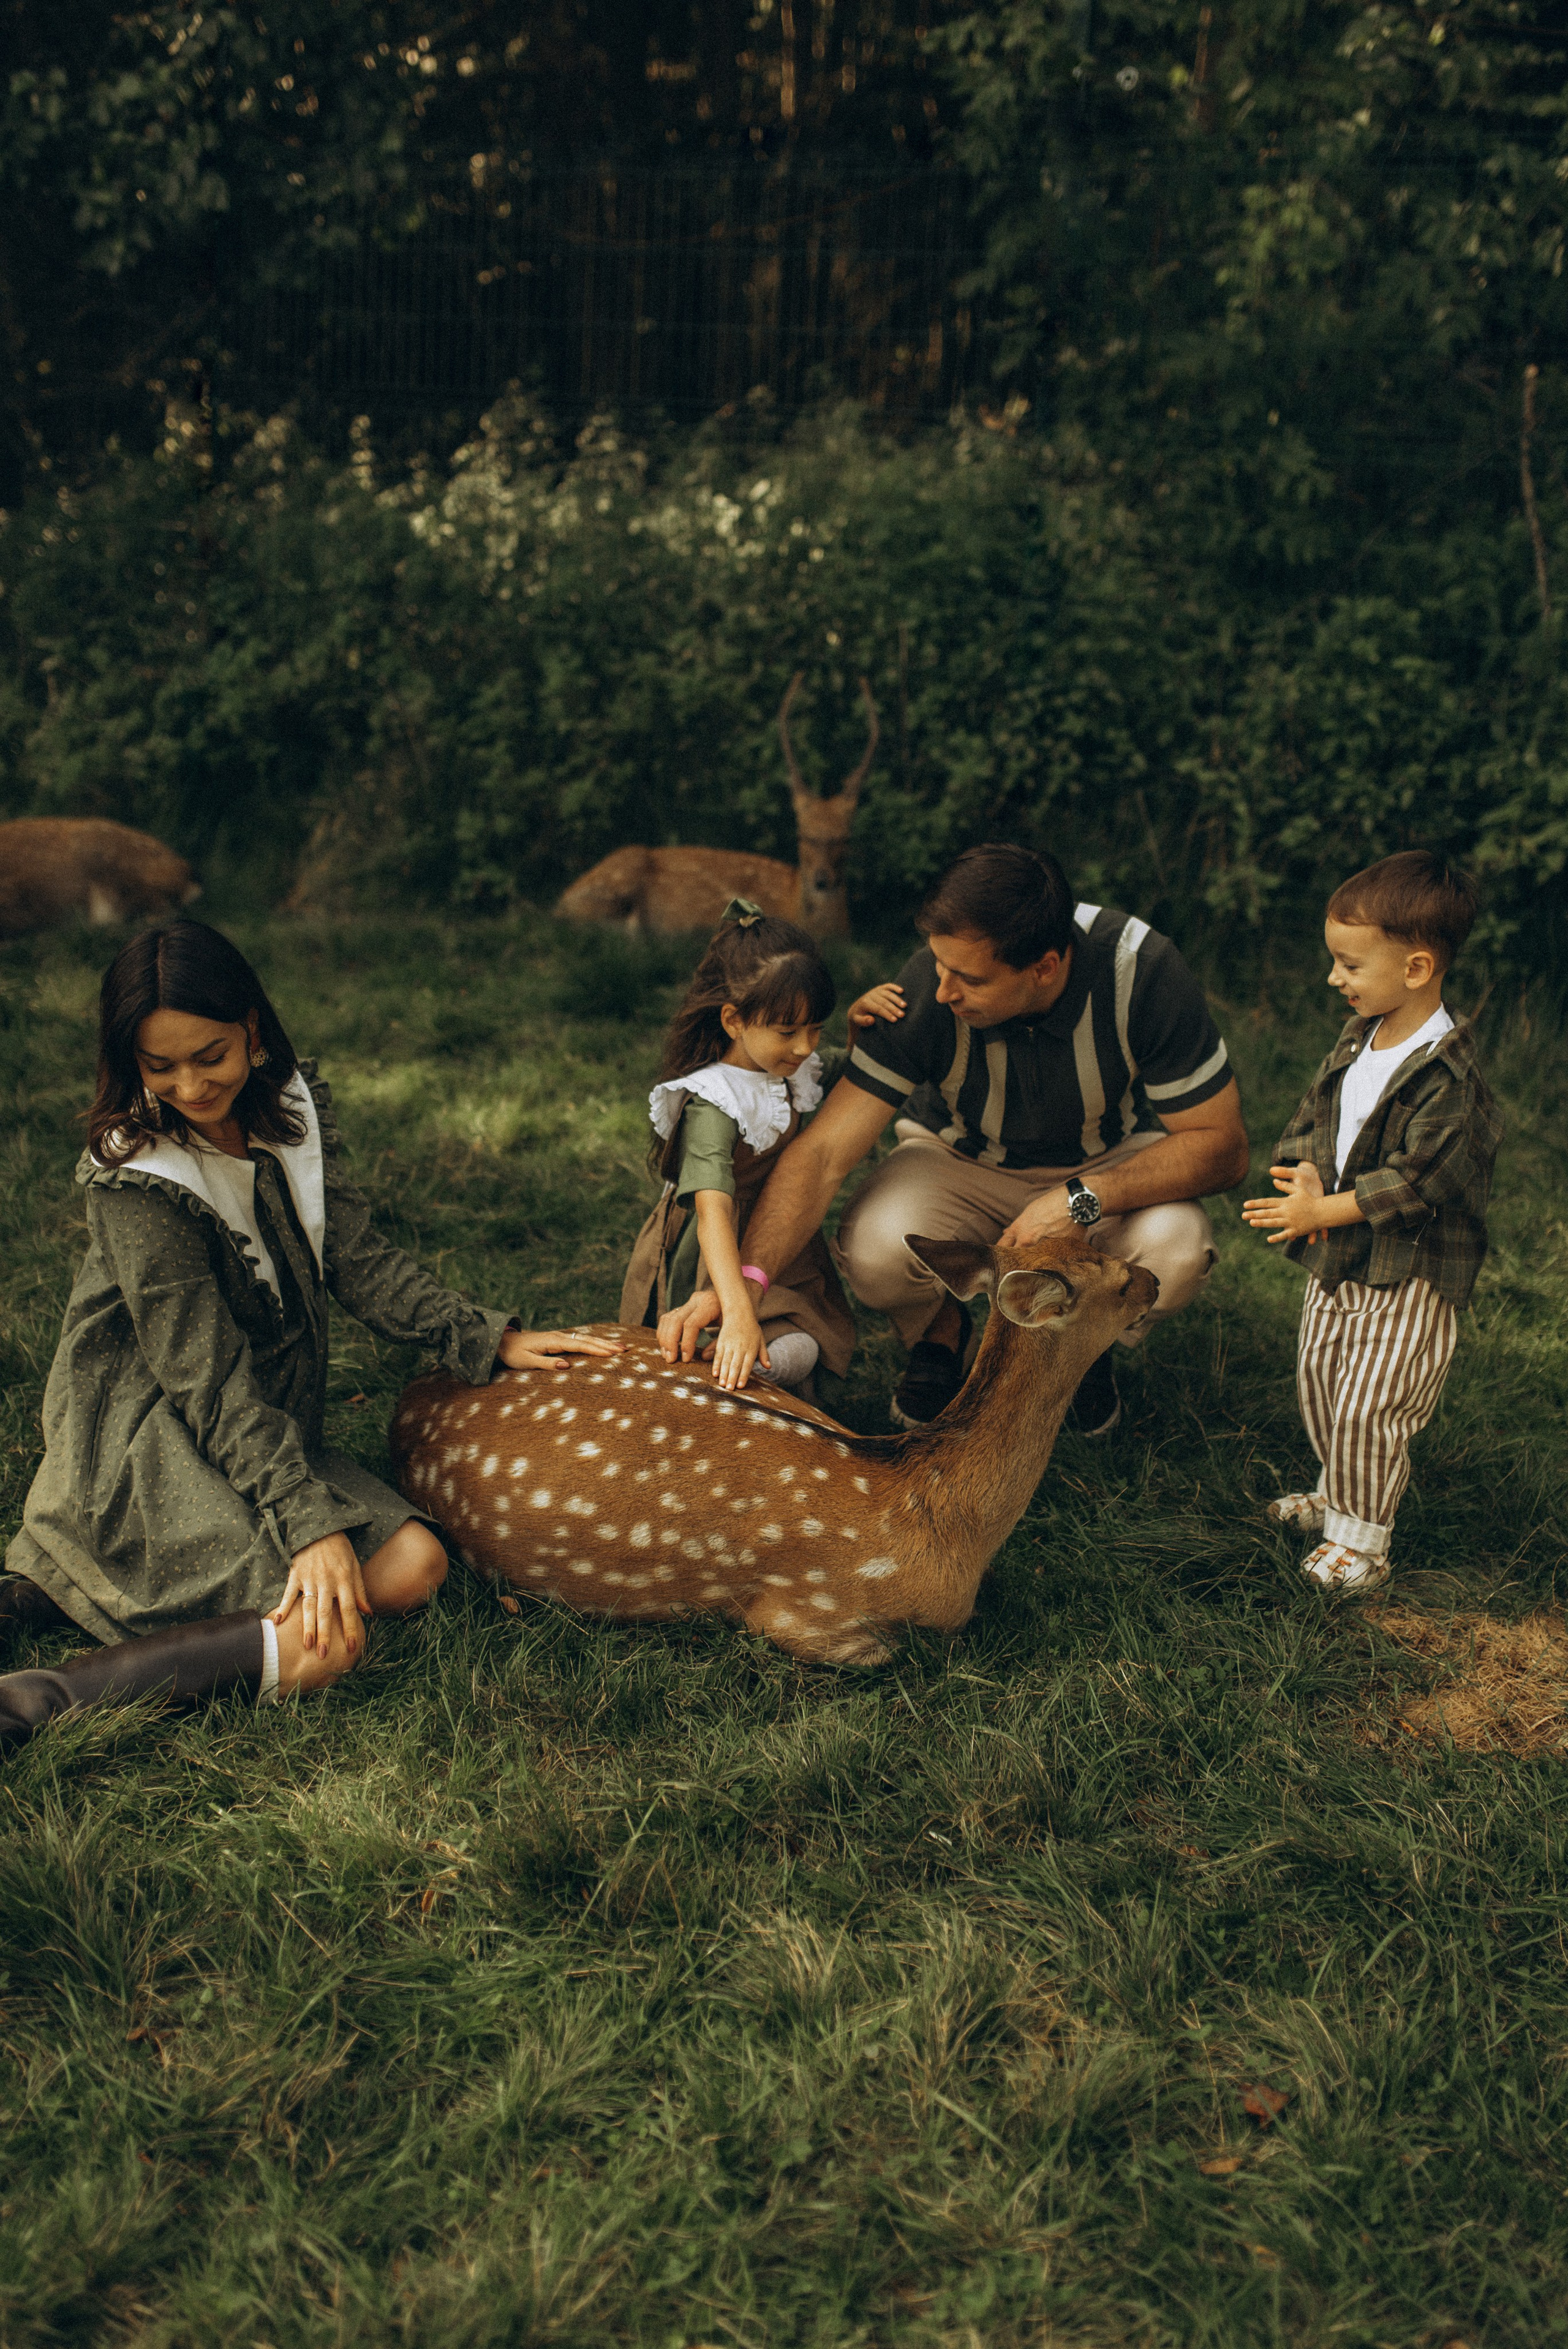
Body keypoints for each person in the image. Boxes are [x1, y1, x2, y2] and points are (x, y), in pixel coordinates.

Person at [0, 920, 619, 1752]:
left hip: (263, 1419)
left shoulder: (288, 1108)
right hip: (153, 1436)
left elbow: (354, 1256)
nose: (189, 1083)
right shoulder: (137, 1176)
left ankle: (48, 1585)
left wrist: (477, 1334)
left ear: (253, 1030)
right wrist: (307, 1522)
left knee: (413, 1569)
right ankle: (37, 1699)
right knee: (321, 1645)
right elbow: (205, 1381)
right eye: (160, 1065)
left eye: (209, 1054)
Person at [659, 843, 1250, 1432]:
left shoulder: (1142, 972)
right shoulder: (931, 983)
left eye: (968, 977)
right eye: (939, 966)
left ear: (1044, 967)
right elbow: (821, 1156)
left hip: (1108, 1159)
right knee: (874, 1245)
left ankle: (1086, 1344)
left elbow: (1223, 1146)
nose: (942, 991)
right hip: (960, 1156)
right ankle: (942, 1332)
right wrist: (747, 1287)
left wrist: (1080, 1197)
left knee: (1177, 1248)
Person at [1242, 851, 1501, 1596]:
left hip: (1409, 1270)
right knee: (1322, 1381)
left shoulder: (1451, 1078)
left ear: (1416, 967)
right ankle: (1338, 1491)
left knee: (1371, 1402)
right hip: (1339, 1259)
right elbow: (1314, 1115)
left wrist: (1320, 1209)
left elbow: (1421, 1181)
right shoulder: (1360, 1038)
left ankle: (1360, 1546)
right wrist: (1308, 1173)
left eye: (1349, 964)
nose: (1335, 978)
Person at [622, 897, 899, 1394]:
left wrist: (858, 1028)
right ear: (734, 1021)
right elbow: (711, 1216)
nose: (806, 1046)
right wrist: (738, 1311)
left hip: (778, 1240)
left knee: (804, 1343)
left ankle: (757, 1367)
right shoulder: (715, 1103)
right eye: (788, 1031)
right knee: (734, 1342)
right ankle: (735, 1361)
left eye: (816, 1028)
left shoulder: (790, 1066)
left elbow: (847, 1076)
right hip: (717, 1254)